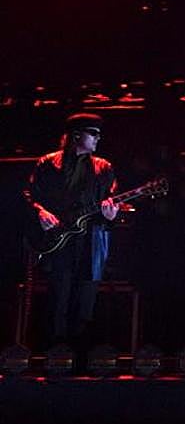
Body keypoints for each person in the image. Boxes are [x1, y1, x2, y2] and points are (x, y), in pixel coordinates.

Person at [24, 113, 118, 348]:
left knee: (85, 302)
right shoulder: (48, 163)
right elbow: (29, 194)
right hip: (59, 241)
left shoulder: (103, 167)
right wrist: (40, 212)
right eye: (93, 133)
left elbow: (111, 202)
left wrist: (112, 214)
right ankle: (53, 355)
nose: (98, 138)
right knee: (58, 299)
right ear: (77, 135)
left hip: (90, 242)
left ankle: (81, 358)